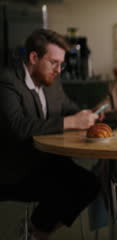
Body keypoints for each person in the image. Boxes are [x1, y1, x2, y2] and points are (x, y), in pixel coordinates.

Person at [0, 29, 100, 239]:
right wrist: (71, 122)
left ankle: (35, 231)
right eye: (54, 62)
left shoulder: (51, 81)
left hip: (46, 162)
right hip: (15, 169)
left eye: (61, 63)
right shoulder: (8, 81)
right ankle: (35, 233)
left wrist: (86, 114)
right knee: (62, 190)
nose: (58, 69)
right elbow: (19, 127)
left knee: (92, 184)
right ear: (34, 57)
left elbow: (67, 107)